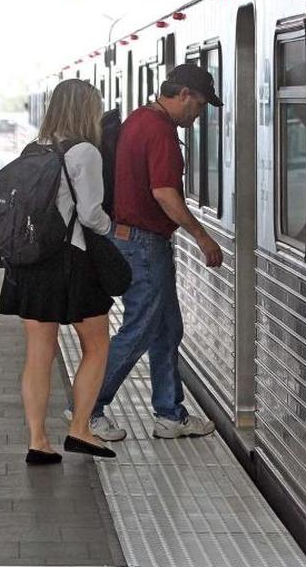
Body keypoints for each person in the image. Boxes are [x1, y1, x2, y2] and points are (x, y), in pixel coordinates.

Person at [89, 64, 225, 442]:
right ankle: (88, 407)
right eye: (197, 107)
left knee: (166, 329)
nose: (197, 116)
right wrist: (202, 236)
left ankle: (170, 414)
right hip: (144, 244)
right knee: (139, 329)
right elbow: (164, 193)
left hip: (137, 241)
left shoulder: (138, 119)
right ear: (183, 95)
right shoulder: (161, 131)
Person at [0, 79, 118, 465]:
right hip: (72, 262)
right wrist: (114, 227)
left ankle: (37, 441)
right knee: (97, 345)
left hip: (32, 264)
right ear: (87, 110)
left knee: (38, 353)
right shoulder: (85, 152)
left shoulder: (34, 149)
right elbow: (90, 215)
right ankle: (80, 428)